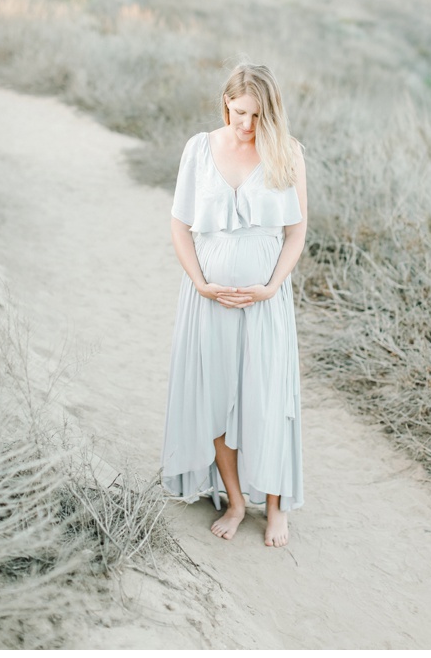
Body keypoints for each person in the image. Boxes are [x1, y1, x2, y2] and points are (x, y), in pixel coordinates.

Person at [161, 63, 307, 548]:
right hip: (210, 299)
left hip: (265, 301)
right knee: (218, 397)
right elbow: (181, 225)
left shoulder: (287, 154)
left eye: (258, 116)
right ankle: (236, 499)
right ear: (227, 103)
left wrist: (271, 286)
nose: (247, 125)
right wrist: (200, 283)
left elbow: (296, 233)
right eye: (241, 112)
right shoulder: (199, 149)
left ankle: (275, 507)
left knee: (267, 398)